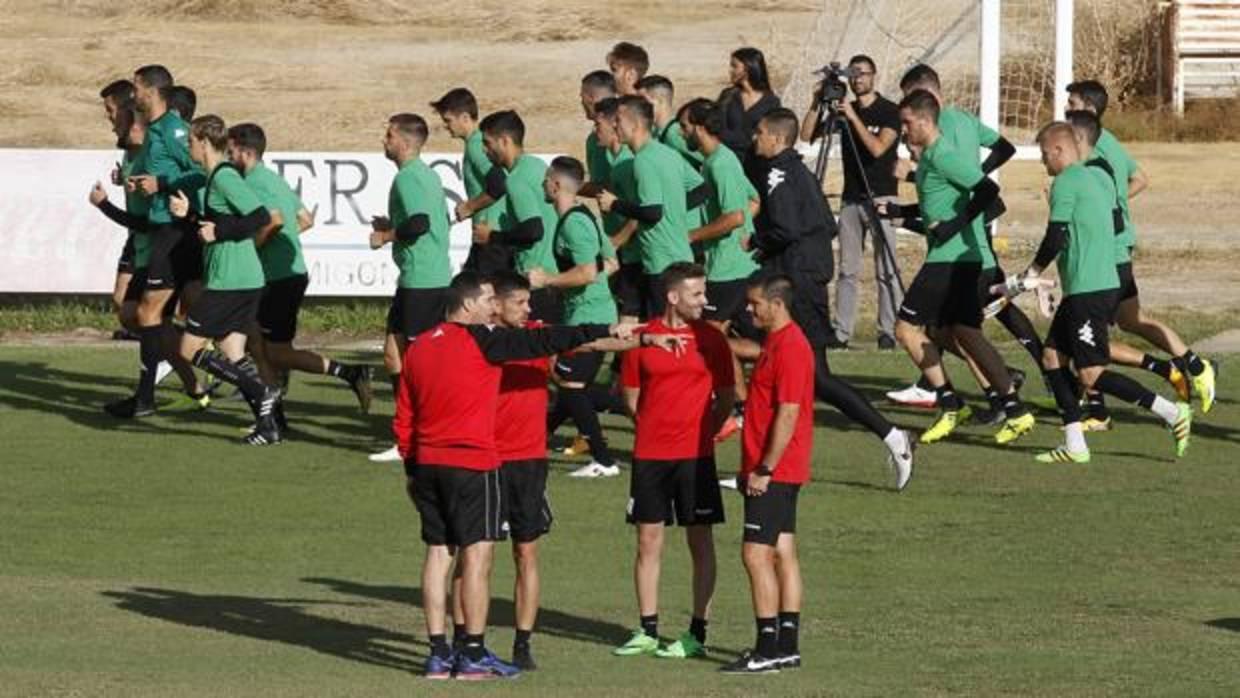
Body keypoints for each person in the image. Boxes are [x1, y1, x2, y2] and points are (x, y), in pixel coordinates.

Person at [393, 271, 642, 680]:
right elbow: (545, 340)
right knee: (477, 554)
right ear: (469, 304)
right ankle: (472, 653)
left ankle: (438, 653)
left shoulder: (419, 347)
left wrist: (410, 466)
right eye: (489, 299)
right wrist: (606, 328)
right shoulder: (482, 340)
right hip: (472, 463)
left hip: (427, 465)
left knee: (439, 554)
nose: (494, 306)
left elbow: (405, 414)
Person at [745, 108, 913, 490]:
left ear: (776, 137)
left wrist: (757, 242)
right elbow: (827, 223)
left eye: (759, 133)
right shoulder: (799, 172)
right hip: (806, 278)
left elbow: (786, 227)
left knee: (815, 378)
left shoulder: (777, 173)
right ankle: (761, 463)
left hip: (796, 284)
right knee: (790, 375)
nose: (755, 139)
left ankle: (893, 436)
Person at [1013, 123, 1191, 463]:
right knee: (1052, 357)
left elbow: (1055, 236)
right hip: (1099, 282)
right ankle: (1075, 444)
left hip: (1088, 289)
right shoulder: (1098, 178)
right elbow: (1112, 225)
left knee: (1091, 372)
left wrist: (1031, 274)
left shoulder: (1065, 182)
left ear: (1059, 150)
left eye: (1043, 155)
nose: (1042, 163)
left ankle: (1171, 413)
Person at [881, 91, 1035, 446]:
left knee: (906, 329)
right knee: (956, 332)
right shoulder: (931, 159)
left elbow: (987, 191)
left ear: (924, 120)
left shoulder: (944, 155)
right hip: (953, 258)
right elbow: (937, 207)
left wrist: (953, 226)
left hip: (951, 260)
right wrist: (901, 213)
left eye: (906, 122)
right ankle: (1013, 408)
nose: (903, 130)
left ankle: (952, 404)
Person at [1065, 80, 1216, 418]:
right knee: (1131, 321)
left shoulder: (1093, 147)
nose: (1065, 109)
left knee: (1089, 336)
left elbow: (1133, 183)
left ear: (1088, 110)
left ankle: (1097, 410)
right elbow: (1141, 179)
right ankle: (1195, 367)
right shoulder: (1109, 142)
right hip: (1118, 246)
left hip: (1106, 252)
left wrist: (1094, 212)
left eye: (1071, 103)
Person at [614, 262, 732, 660]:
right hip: (650, 456)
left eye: (704, 292)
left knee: (700, 541)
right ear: (673, 296)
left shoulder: (712, 340)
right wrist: (654, 428)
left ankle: (697, 631)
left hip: (696, 459)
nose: (705, 300)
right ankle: (647, 630)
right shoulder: (642, 338)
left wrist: (703, 433)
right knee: (648, 542)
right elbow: (630, 398)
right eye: (697, 294)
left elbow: (727, 397)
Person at [225, 123, 373, 419]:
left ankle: (350, 373)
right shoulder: (273, 180)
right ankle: (272, 409)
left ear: (246, 152)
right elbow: (304, 219)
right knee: (255, 340)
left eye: (230, 153)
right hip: (282, 275)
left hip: (279, 279)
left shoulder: (254, 183)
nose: (228, 159)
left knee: (275, 352)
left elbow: (275, 222)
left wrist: (250, 249)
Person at [167, 115, 283, 444]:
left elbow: (260, 217)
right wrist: (189, 216)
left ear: (204, 142)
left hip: (231, 280)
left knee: (188, 349)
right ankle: (269, 427)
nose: (187, 146)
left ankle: (263, 392)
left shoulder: (224, 177)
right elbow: (215, 226)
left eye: (190, 140)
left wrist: (218, 230)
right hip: (239, 277)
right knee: (233, 352)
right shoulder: (215, 178)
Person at [719, 274, 813, 675]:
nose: (749, 309)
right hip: (781, 468)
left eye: (755, 304)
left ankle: (766, 648)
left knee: (755, 554)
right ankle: (786, 646)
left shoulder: (791, 347)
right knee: (782, 553)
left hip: (774, 469)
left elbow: (788, 413)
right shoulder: (776, 341)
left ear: (777, 304)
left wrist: (764, 468)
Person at [108, 64, 206, 418]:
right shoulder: (152, 131)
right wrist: (140, 184)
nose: (133, 95)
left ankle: (148, 398)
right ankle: (173, 389)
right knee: (140, 315)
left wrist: (161, 184)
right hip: (159, 231)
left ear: (152, 90)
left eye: (136, 88)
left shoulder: (176, 130)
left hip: (176, 233)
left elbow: (200, 171)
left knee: (153, 314)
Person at [529, 157, 623, 479]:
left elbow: (586, 272)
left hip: (589, 315)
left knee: (569, 381)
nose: (542, 185)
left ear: (556, 185)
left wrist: (548, 281)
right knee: (569, 382)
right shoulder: (586, 216)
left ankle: (605, 460)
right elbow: (611, 263)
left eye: (545, 180)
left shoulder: (573, 222)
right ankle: (536, 438)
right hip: (588, 310)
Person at [800, 54, 903, 350]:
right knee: (847, 270)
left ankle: (888, 331)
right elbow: (808, 135)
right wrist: (817, 103)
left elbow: (878, 149)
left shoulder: (889, 112)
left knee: (886, 269)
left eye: (863, 74)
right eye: (853, 74)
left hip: (882, 197)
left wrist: (853, 117)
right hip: (851, 199)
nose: (858, 79)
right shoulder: (843, 111)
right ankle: (841, 332)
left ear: (874, 76)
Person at [368, 113, 453, 462]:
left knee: (421, 363)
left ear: (403, 141)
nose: (384, 140)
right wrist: (393, 225)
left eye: (388, 135)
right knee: (393, 355)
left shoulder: (410, 178)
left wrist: (386, 235)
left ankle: (426, 433)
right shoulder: (422, 176)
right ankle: (408, 433)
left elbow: (420, 223)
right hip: (416, 279)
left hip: (425, 281)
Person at [679, 98, 760, 436]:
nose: (681, 132)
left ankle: (730, 409)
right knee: (719, 339)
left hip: (728, 269)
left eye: (684, 126)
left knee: (705, 338)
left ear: (698, 127)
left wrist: (692, 236)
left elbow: (736, 214)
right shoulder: (719, 160)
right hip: (733, 263)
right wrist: (745, 235)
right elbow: (753, 201)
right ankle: (743, 404)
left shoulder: (720, 165)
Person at [597, 96, 694, 320]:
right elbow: (700, 189)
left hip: (661, 262)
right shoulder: (667, 154)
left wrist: (615, 204)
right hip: (680, 255)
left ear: (637, 124)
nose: (614, 125)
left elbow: (652, 212)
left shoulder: (643, 160)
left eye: (619, 120)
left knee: (663, 332)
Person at [478, 110, 562, 322]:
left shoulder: (516, 179)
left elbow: (534, 230)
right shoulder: (536, 165)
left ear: (505, 141)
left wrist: (493, 236)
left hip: (536, 282)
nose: (484, 150)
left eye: (488, 143)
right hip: (553, 278)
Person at [433, 87, 510, 275]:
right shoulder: (477, 144)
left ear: (465, 117)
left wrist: (470, 207)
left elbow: (499, 184)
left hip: (489, 236)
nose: (446, 126)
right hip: (489, 235)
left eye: (448, 120)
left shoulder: (477, 146)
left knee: (472, 296)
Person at [720, 47, 781, 158]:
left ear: (747, 68)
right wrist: (748, 139)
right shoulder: (728, 96)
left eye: (734, 66)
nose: (730, 70)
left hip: (755, 165)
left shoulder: (771, 103)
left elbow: (768, 139)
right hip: (728, 159)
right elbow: (718, 129)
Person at [636, 75, 702, 168]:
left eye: (643, 101)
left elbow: (706, 158)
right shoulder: (656, 132)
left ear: (660, 100)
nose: (638, 107)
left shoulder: (674, 133)